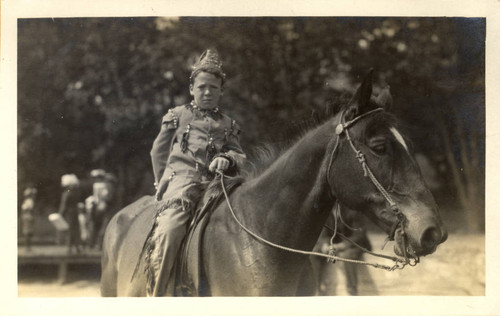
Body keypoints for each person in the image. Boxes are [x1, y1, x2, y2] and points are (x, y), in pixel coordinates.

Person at [147, 49, 246, 296]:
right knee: (170, 230)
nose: (208, 92)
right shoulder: (178, 115)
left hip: (216, 185)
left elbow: (240, 155)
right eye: (202, 87)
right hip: (181, 184)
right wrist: (163, 184)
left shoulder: (228, 124)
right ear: (192, 88)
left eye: (214, 87)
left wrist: (226, 158)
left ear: (221, 91)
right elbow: (157, 153)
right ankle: (157, 296)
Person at [58, 174, 82, 253]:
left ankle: (69, 248)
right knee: (76, 229)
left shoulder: (67, 193)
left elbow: (64, 205)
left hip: (69, 213)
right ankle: (77, 247)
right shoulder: (75, 193)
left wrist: (60, 214)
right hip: (75, 212)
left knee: (70, 230)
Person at [21, 187, 37, 251]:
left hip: (27, 216)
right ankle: (27, 247)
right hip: (28, 216)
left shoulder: (27, 201)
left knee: (28, 231)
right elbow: (28, 209)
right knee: (28, 231)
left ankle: (28, 247)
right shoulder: (29, 201)